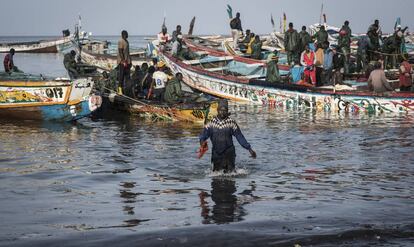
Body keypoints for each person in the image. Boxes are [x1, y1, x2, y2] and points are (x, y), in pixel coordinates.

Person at [199, 99, 256, 173]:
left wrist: (249, 148)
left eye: (225, 110)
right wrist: (202, 142)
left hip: (229, 152)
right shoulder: (211, 123)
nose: (222, 112)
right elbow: (203, 135)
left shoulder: (231, 123)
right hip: (216, 153)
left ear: (227, 111)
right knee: (216, 176)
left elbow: (240, 137)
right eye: (221, 110)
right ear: (217, 110)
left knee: (231, 174)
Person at [117, 30, 132, 94]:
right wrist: (123, 61)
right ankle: (119, 89)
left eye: (127, 34)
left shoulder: (127, 41)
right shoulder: (121, 41)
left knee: (127, 76)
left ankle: (127, 89)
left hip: (127, 61)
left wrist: (130, 61)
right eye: (126, 34)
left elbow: (127, 52)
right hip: (122, 62)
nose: (127, 35)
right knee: (121, 76)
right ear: (123, 35)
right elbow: (120, 52)